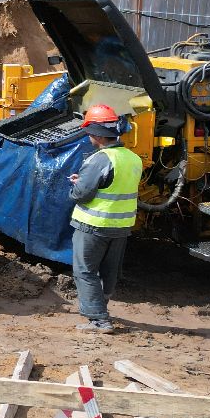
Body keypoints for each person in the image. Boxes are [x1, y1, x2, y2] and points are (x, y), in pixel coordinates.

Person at [68, 103, 143, 332]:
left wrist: (76, 186)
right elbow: (114, 186)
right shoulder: (132, 158)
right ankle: (102, 306)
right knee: (109, 271)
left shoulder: (99, 159)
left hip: (93, 225)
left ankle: (99, 319)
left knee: (85, 270)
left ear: (97, 134)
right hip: (120, 226)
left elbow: (82, 194)